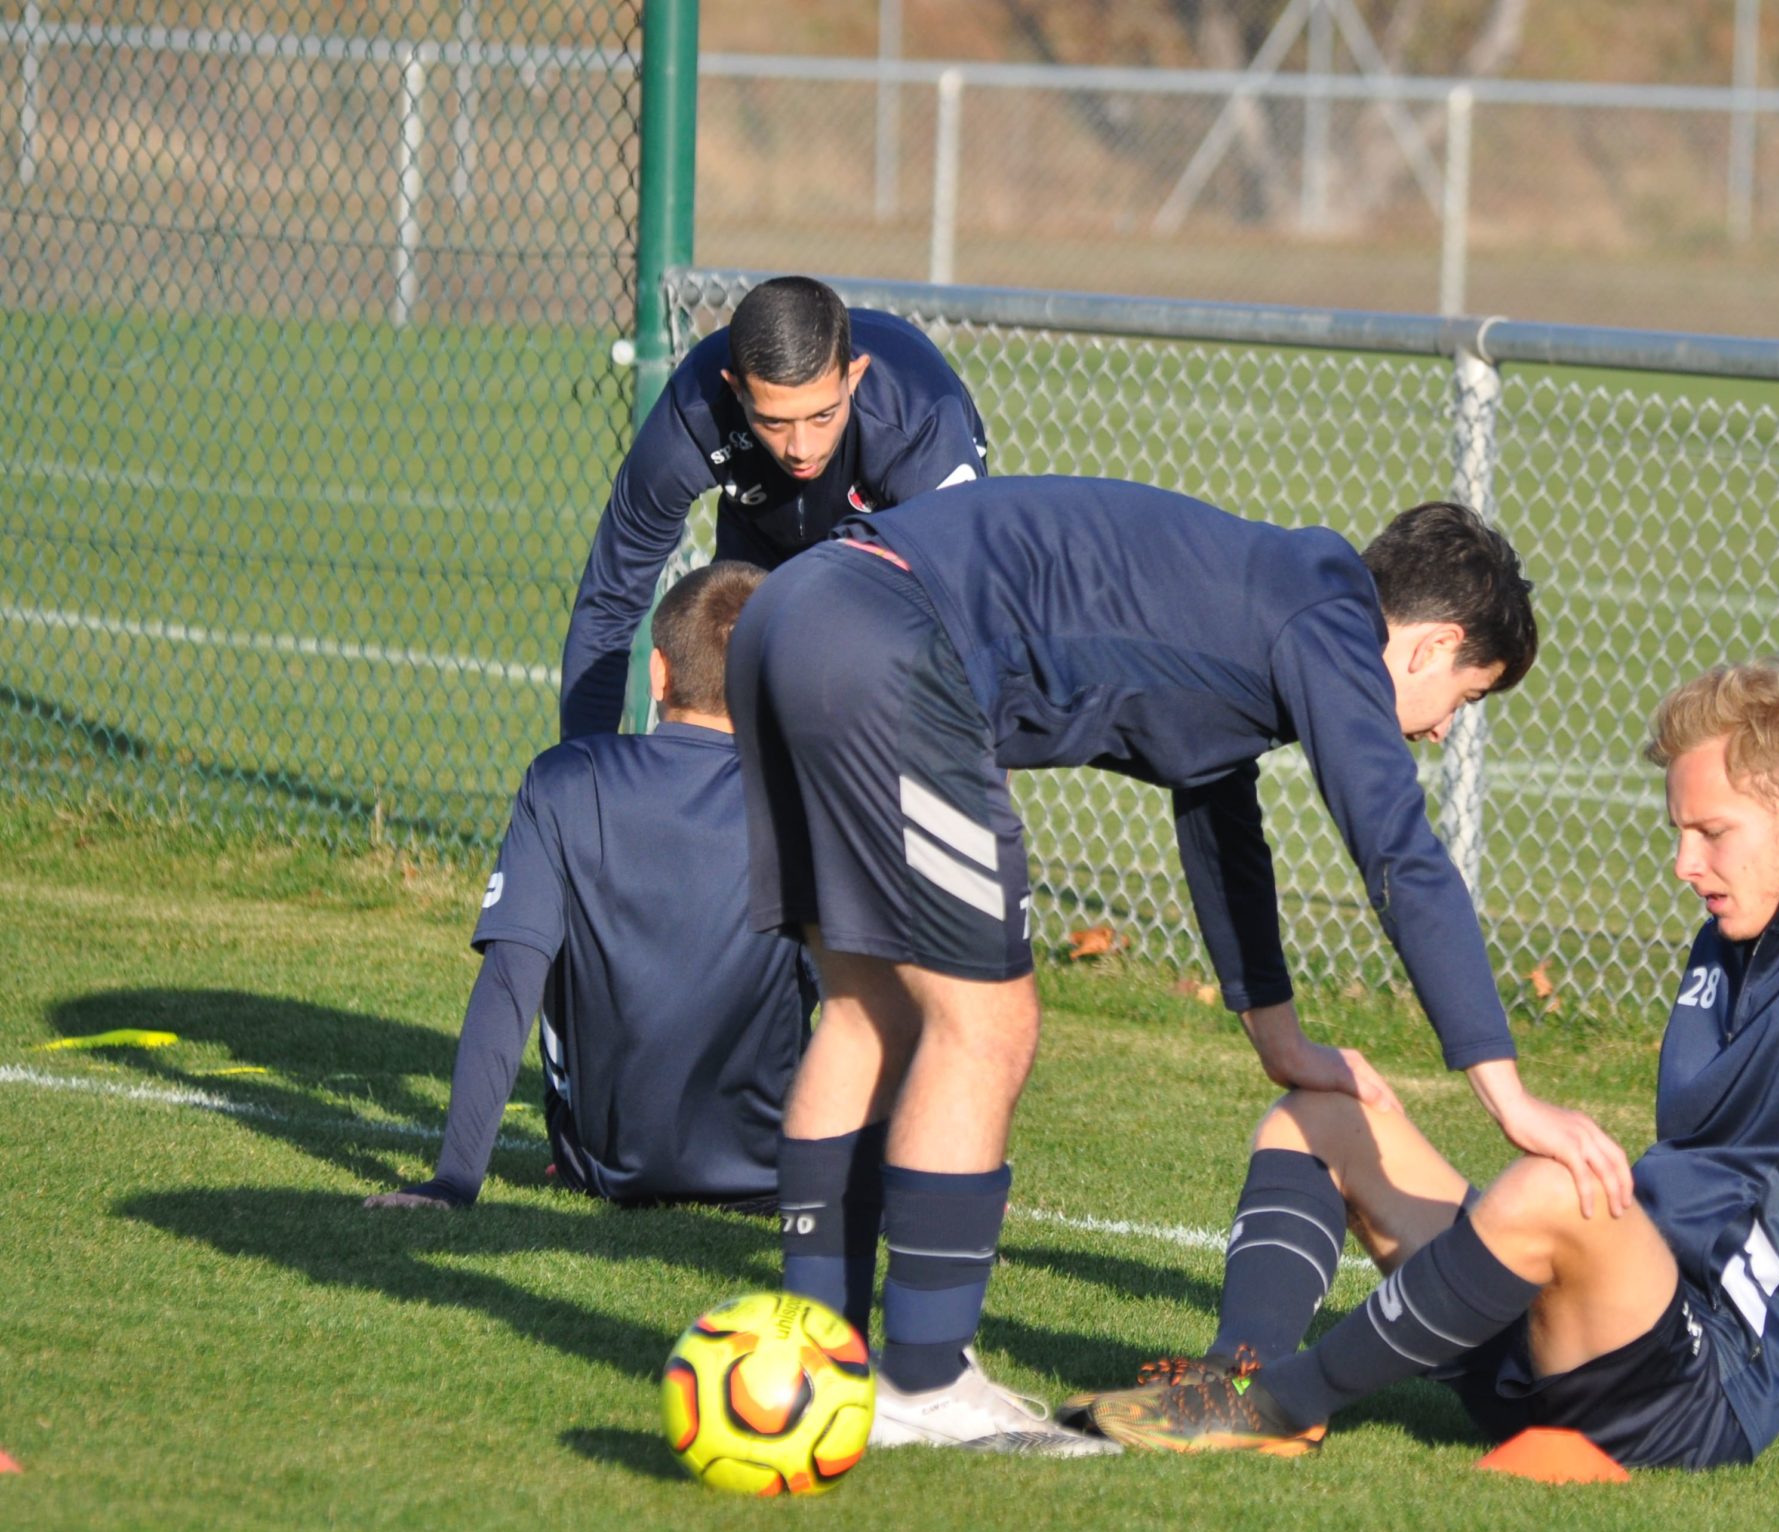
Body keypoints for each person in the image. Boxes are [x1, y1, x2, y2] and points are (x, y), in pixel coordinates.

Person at [726, 477, 1629, 1456]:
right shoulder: (1329, 615)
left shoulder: (1274, 598)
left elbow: (1219, 816)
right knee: (985, 1021)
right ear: (1431, 644)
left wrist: (1278, 1038)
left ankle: (819, 1356)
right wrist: (1507, 1094)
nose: (1443, 726)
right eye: (1466, 694)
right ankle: (925, 1381)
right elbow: (1400, 853)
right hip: (892, 641)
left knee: (869, 1012)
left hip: (792, 610)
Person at [1081, 657, 1779, 1493]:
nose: (1685, 862)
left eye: (1710, 830)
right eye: (1679, 831)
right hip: (1591, 1335)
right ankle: (1229, 1375)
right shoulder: (1729, 940)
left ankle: (1283, 1403)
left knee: (1560, 1184)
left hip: (1693, 1388)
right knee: (1321, 1112)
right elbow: (1758, 1173)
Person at [367, 561, 815, 1213]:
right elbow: (870, 1004)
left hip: (605, 1166)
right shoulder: (812, 798)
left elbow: (508, 985)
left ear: (658, 673)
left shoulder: (565, 781)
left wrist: (455, 1178)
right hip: (776, 1176)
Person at [559, 275, 990, 742]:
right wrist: (583, 777)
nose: (801, 449)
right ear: (736, 390)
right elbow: (610, 601)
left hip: (892, 534)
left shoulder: (918, 423)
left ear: (855, 377)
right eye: (774, 421)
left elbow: (982, 626)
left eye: (822, 415)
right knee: (717, 671)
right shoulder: (694, 411)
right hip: (762, 527)